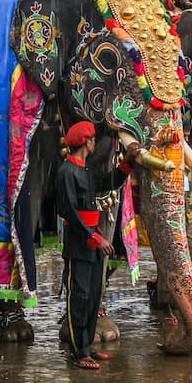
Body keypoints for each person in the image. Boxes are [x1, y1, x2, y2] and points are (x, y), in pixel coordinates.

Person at [55, 121, 132, 369]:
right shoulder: (66, 171)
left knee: (92, 295)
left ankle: (87, 346)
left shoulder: (86, 170)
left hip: (95, 240)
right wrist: (96, 238)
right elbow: (68, 211)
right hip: (80, 242)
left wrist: (128, 163)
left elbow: (110, 181)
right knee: (79, 296)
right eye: (93, 140)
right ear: (86, 143)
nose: (95, 143)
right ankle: (79, 353)